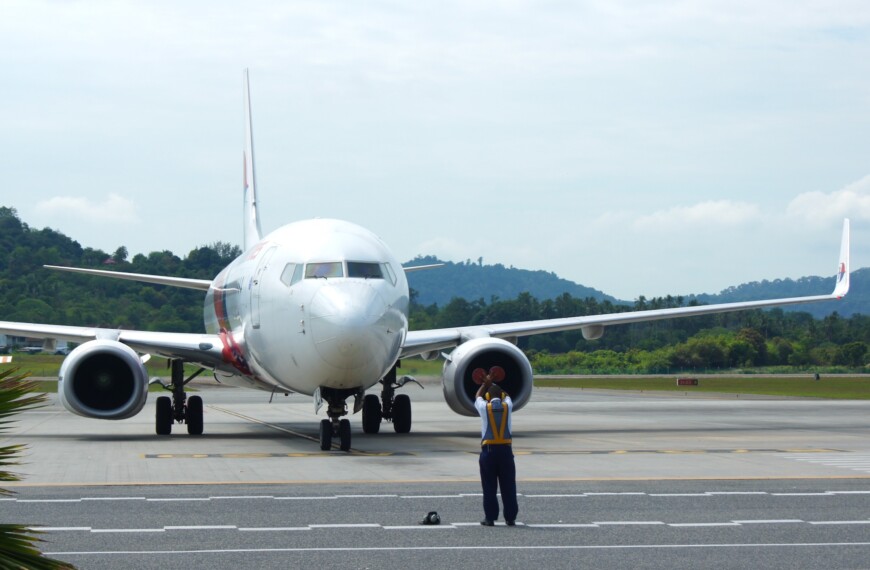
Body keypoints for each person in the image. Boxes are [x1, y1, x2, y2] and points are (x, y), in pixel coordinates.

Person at [475, 373, 518, 526]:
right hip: (506, 451)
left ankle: (490, 518)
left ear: (488, 396)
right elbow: (507, 396)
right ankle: (510, 517)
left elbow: (477, 396)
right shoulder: (508, 406)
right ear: (500, 395)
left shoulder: (484, 407)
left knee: (489, 486)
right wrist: (496, 385)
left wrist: (485, 384)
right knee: (509, 486)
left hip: (489, 451)